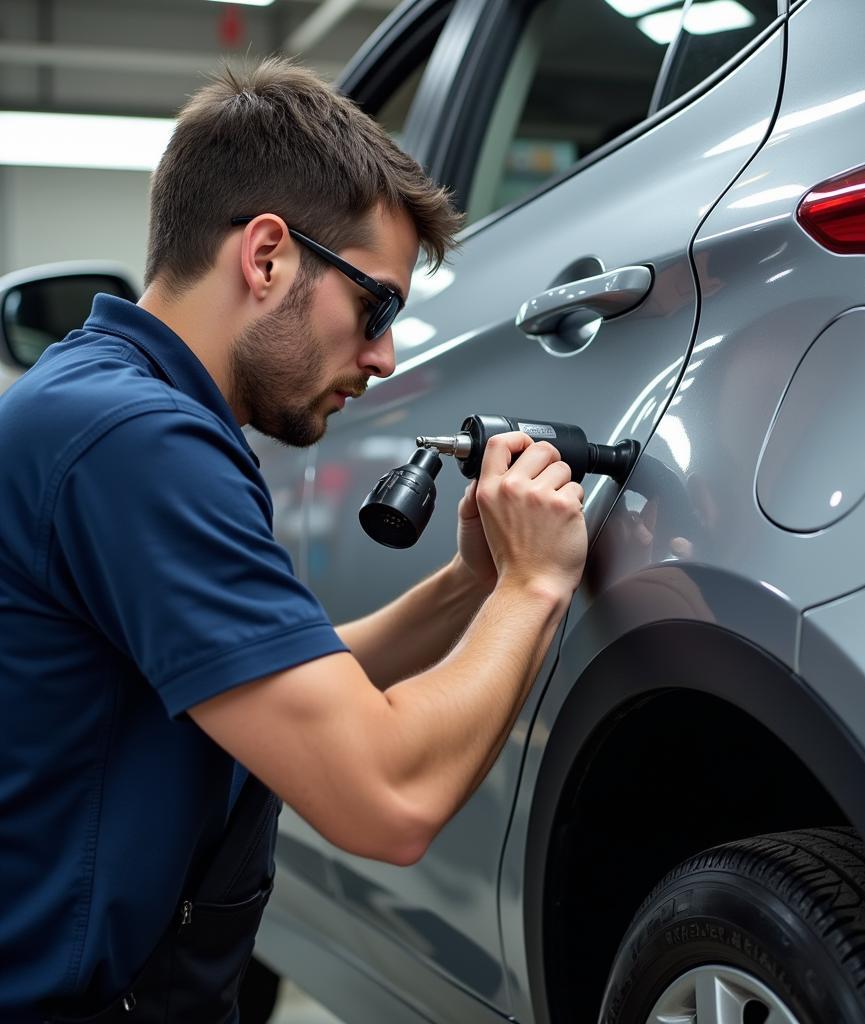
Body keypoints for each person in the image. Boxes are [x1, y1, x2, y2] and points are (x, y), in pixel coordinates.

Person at [0, 58, 588, 1022]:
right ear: (267, 255)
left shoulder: (110, 405)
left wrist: (467, 585)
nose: (385, 356)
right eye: (377, 306)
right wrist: (533, 590)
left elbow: (276, 683)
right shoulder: (135, 443)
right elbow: (385, 800)